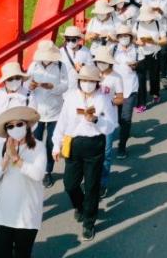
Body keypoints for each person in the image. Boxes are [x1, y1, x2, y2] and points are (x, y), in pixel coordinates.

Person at [52, 66, 117, 241]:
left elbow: (112, 125)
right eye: (84, 80)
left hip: (94, 144)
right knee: (70, 184)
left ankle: (89, 222)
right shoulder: (72, 97)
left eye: (91, 81)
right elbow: (62, 122)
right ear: (79, 81)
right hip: (73, 143)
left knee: (91, 186)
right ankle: (80, 206)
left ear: (97, 82)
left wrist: (96, 119)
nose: (87, 84)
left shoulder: (103, 99)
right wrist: (56, 145)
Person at [0, 106, 46, 258]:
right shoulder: (1, 148)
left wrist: (17, 159)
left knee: (22, 254)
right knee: (0, 253)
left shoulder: (38, 147)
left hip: (27, 214)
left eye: (19, 124)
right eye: (10, 126)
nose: (15, 128)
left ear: (26, 125)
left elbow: (38, 174)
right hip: (4, 213)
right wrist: (5, 160)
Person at [27, 40, 69, 187]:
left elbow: (65, 85)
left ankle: (47, 171)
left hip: (55, 110)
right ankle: (36, 168)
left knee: (52, 143)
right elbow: (26, 85)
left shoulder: (60, 66)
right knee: (36, 142)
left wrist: (52, 87)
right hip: (37, 111)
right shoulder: (33, 66)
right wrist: (31, 86)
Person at [0, 61, 31, 155]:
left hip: (21, 145)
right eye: (10, 79)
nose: (14, 81)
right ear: (4, 81)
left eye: (17, 78)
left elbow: (33, 121)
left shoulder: (29, 96)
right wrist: (1, 127)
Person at [94, 48, 123, 196]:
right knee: (92, 152)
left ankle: (103, 183)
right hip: (92, 119)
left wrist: (109, 101)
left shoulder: (116, 78)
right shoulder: (92, 75)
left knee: (106, 153)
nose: (101, 64)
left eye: (104, 62)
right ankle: (92, 178)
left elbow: (120, 98)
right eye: (99, 62)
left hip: (108, 119)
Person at [111, 23, 140, 158]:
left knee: (126, 119)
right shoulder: (112, 49)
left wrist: (136, 66)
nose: (124, 38)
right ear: (117, 38)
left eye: (126, 36)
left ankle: (121, 147)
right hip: (115, 89)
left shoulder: (137, 49)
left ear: (130, 37)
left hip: (130, 88)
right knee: (115, 119)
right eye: (121, 36)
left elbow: (143, 67)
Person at [134, 6, 165, 109]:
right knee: (141, 79)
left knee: (154, 76)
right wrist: (137, 42)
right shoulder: (137, 24)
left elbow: (164, 40)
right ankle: (141, 103)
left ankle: (155, 93)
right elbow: (132, 37)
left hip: (154, 53)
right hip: (141, 54)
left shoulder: (157, 23)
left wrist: (154, 41)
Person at [60, 25, 92, 89]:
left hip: (80, 88)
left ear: (79, 39)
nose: (70, 42)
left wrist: (83, 67)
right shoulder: (60, 51)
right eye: (67, 40)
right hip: (64, 88)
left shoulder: (86, 51)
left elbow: (92, 68)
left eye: (73, 40)